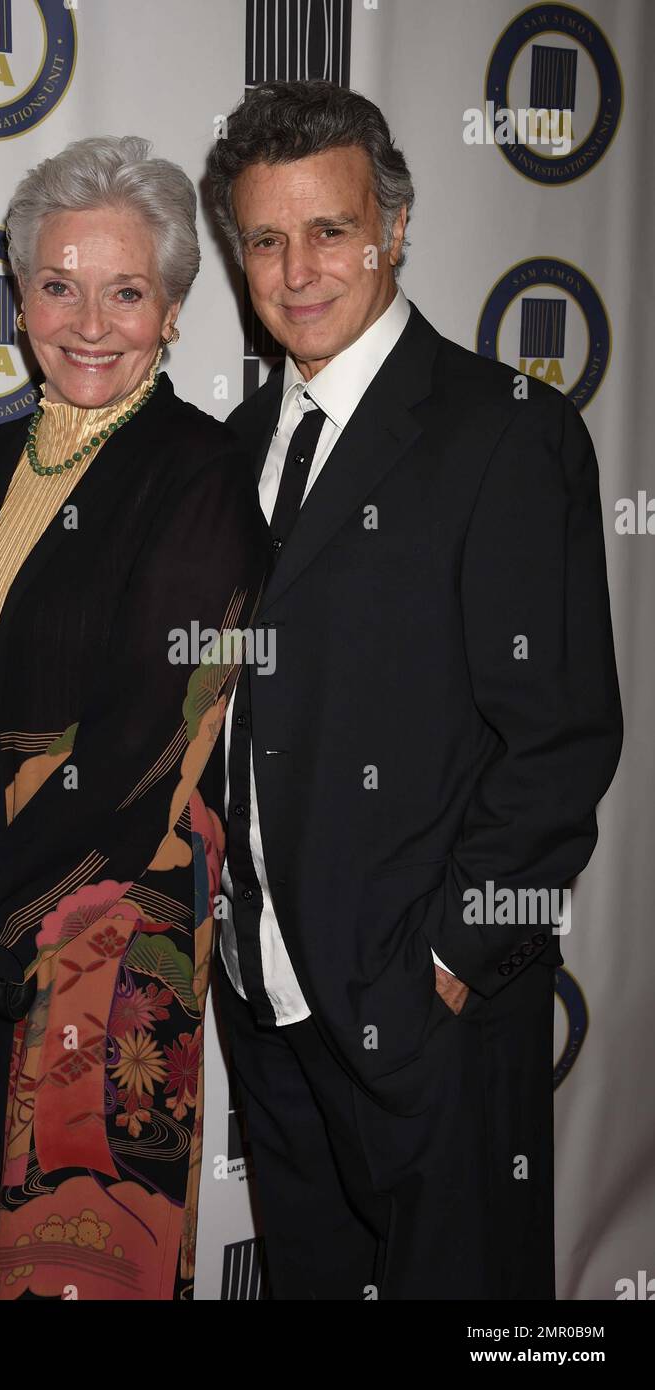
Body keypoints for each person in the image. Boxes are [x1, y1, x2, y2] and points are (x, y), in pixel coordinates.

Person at [205, 79, 623, 1300]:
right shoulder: (236, 449)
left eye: (328, 230)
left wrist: (445, 957)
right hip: (266, 1003)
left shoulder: (505, 431)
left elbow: (555, 746)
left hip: (426, 1018)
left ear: (391, 228)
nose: (297, 270)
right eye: (266, 240)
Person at [0, 135, 269, 1301]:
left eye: (126, 290)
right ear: (20, 302)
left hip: (97, 953)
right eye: (58, 285)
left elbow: (144, 749)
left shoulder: (202, 476)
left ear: (172, 308)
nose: (90, 321)